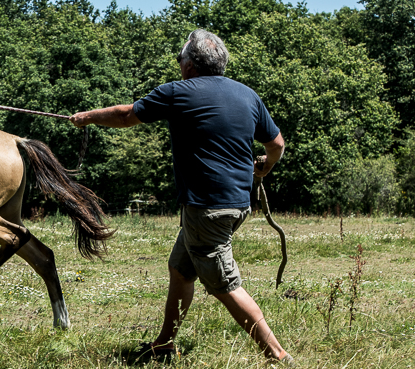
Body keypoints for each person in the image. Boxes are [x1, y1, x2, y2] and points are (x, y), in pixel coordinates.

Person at [70, 29, 292, 365]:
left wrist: (87, 118)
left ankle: (277, 355)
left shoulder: (178, 92)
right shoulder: (247, 95)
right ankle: (163, 345)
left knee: (224, 284)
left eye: (179, 59)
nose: (178, 65)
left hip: (207, 208)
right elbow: (276, 145)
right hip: (236, 204)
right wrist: (264, 167)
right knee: (181, 269)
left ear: (189, 65)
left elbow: (126, 116)